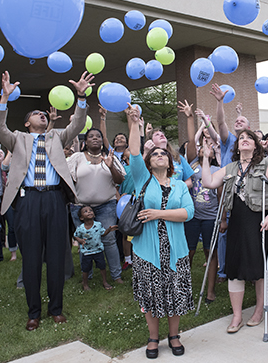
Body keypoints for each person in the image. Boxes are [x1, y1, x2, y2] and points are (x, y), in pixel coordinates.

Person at [0, 70, 93, 331]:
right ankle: (34, 312)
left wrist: (81, 97)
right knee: (32, 258)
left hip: (55, 200)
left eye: (44, 114)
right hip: (27, 202)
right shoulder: (18, 138)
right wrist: (4, 98)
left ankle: (56, 309)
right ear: (27, 123)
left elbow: (77, 126)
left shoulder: (56, 136)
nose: (43, 115)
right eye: (37, 114)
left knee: (58, 255)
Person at [125, 103, 194, 359]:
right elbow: (134, 153)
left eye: (163, 153)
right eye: (154, 154)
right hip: (147, 250)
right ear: (149, 163)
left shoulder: (179, 186)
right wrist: (134, 124)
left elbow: (188, 213)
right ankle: (153, 338)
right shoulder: (143, 180)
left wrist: (158, 214)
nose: (159, 155)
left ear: (170, 161)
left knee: (175, 294)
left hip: (176, 251)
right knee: (150, 297)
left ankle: (174, 336)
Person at [201, 129, 268, 333]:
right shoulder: (230, 167)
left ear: (256, 145)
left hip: (259, 222)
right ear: (237, 146)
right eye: (241, 138)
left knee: (260, 270)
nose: (245, 140)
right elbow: (208, 182)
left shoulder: (267, 165)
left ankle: (258, 310)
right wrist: (205, 158)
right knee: (234, 271)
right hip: (237, 223)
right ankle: (237, 316)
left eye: (249, 138)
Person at [178, 99, 223, 304]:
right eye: (202, 147)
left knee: (210, 252)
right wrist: (190, 118)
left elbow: (222, 197)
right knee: (188, 252)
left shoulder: (217, 170)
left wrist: (223, 219)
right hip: (192, 216)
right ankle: (183, 287)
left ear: (214, 153)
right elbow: (189, 140)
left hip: (211, 217)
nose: (206, 148)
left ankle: (210, 290)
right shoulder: (192, 166)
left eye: (210, 147)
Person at [68, 128, 126, 285]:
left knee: (109, 239)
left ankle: (116, 275)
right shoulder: (77, 157)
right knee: (85, 241)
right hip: (81, 207)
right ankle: (87, 276)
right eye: (91, 136)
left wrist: (110, 166)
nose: (95, 138)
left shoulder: (110, 157)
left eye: (98, 136)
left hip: (106, 205)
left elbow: (120, 180)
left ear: (102, 141)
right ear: (85, 142)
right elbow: (66, 179)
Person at [209, 84, 253, 282]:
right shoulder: (229, 142)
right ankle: (223, 271)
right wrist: (219, 103)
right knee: (224, 233)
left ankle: (249, 269)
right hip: (226, 193)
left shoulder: (252, 146)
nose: (238, 121)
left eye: (242, 120)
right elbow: (220, 123)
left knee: (246, 233)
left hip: (247, 196)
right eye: (236, 120)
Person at [73, 205, 118, 291]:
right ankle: (85, 284)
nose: (89, 212)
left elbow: (102, 233)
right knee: (85, 269)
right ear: (81, 218)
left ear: (94, 215)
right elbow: (75, 236)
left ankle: (105, 282)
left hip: (98, 251)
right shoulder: (81, 228)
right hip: (86, 252)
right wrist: (80, 240)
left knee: (102, 267)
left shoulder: (98, 225)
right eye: (85, 211)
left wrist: (108, 230)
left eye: (90, 210)